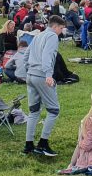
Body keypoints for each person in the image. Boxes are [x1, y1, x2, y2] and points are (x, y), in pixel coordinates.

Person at [23, 16, 65, 157]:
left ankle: (29, 145)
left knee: (34, 111)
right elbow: (47, 55)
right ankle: (43, 143)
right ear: (55, 26)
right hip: (42, 75)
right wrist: (48, 74)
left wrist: (27, 69)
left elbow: (26, 55)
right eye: (61, 28)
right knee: (54, 110)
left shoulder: (38, 35)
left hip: (30, 75)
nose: (61, 31)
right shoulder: (52, 36)